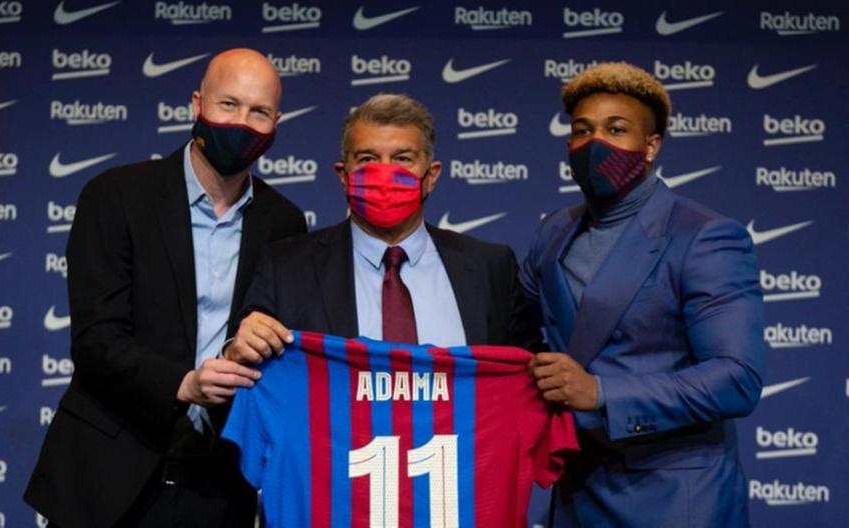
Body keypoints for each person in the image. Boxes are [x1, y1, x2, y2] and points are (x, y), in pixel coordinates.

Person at [24, 49, 307, 528]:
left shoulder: (284, 223)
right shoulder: (116, 196)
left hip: (218, 485)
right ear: (197, 104)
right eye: (228, 104)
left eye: (259, 112)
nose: (242, 123)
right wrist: (185, 383)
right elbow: (95, 341)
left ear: (276, 123)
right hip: (107, 479)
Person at [522, 62, 763, 527]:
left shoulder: (706, 237)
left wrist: (602, 393)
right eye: (582, 131)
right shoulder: (553, 232)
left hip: (676, 496)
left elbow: (736, 379)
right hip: (578, 488)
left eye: (616, 129)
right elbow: (520, 336)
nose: (596, 144)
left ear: (650, 146)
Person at [224, 93, 540, 365]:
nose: (385, 173)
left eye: (402, 159)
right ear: (343, 175)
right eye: (367, 159)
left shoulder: (490, 268)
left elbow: (525, 375)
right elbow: (244, 359)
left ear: (431, 176)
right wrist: (235, 350)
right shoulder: (286, 268)